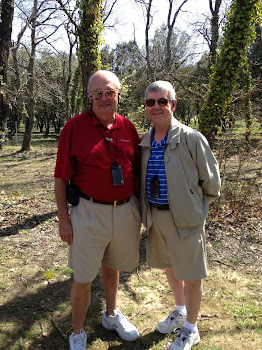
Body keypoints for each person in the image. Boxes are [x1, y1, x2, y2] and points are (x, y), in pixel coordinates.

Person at [54, 70, 141, 350]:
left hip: (124, 211)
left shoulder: (128, 128)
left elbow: (136, 173)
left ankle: (111, 315)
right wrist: (64, 220)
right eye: (98, 93)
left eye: (109, 93)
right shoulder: (74, 128)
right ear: (90, 97)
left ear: (118, 96)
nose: (104, 98)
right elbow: (60, 178)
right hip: (88, 212)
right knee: (83, 277)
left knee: (112, 267)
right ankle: (78, 332)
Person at [140, 81, 221, 350]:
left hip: (185, 219)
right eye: (150, 102)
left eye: (162, 101)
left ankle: (191, 329)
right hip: (156, 218)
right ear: (145, 107)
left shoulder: (192, 138)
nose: (156, 107)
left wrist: (194, 208)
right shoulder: (144, 142)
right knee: (171, 266)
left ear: (173, 105)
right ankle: (180, 311)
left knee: (192, 274)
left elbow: (212, 184)